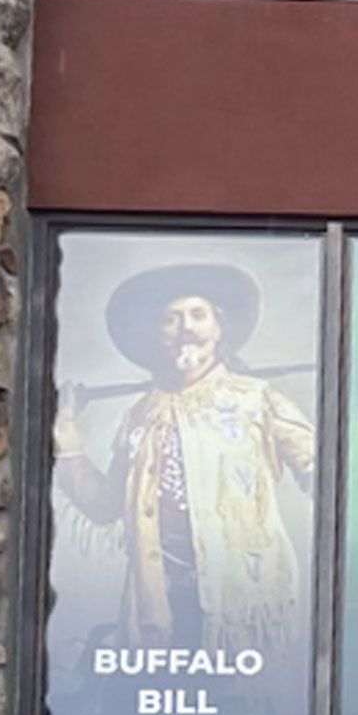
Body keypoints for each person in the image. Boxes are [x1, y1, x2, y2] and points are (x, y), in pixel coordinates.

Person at [54, 262, 316, 650]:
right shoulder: (140, 414)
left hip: (242, 599)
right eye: (171, 320)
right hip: (158, 601)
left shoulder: (257, 399)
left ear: (219, 327)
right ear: (158, 335)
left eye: (198, 316)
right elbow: (106, 506)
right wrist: (67, 435)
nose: (186, 329)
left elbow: (323, 473)